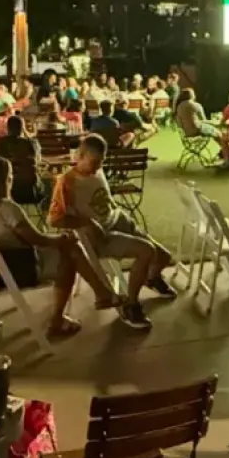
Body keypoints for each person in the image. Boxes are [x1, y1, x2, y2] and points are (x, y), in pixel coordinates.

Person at [0, 156, 126, 337]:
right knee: (71, 253)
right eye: (10, 176)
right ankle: (60, 318)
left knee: (70, 249)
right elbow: (37, 239)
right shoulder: (7, 208)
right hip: (19, 268)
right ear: (5, 180)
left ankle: (101, 294)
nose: (12, 179)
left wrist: (59, 240)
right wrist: (60, 238)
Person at [48, 134, 176, 330]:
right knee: (147, 251)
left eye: (101, 163)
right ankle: (131, 306)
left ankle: (151, 278)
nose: (98, 168)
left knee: (164, 257)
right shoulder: (67, 182)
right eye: (94, 163)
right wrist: (87, 222)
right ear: (80, 156)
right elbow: (54, 219)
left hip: (119, 221)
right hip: (103, 235)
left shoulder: (95, 172)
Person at [176, 88, 229, 163]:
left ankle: (225, 153)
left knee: (215, 133)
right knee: (220, 134)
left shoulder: (179, 106)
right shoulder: (195, 105)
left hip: (186, 132)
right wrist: (215, 121)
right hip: (197, 129)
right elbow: (204, 120)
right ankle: (228, 155)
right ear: (192, 95)